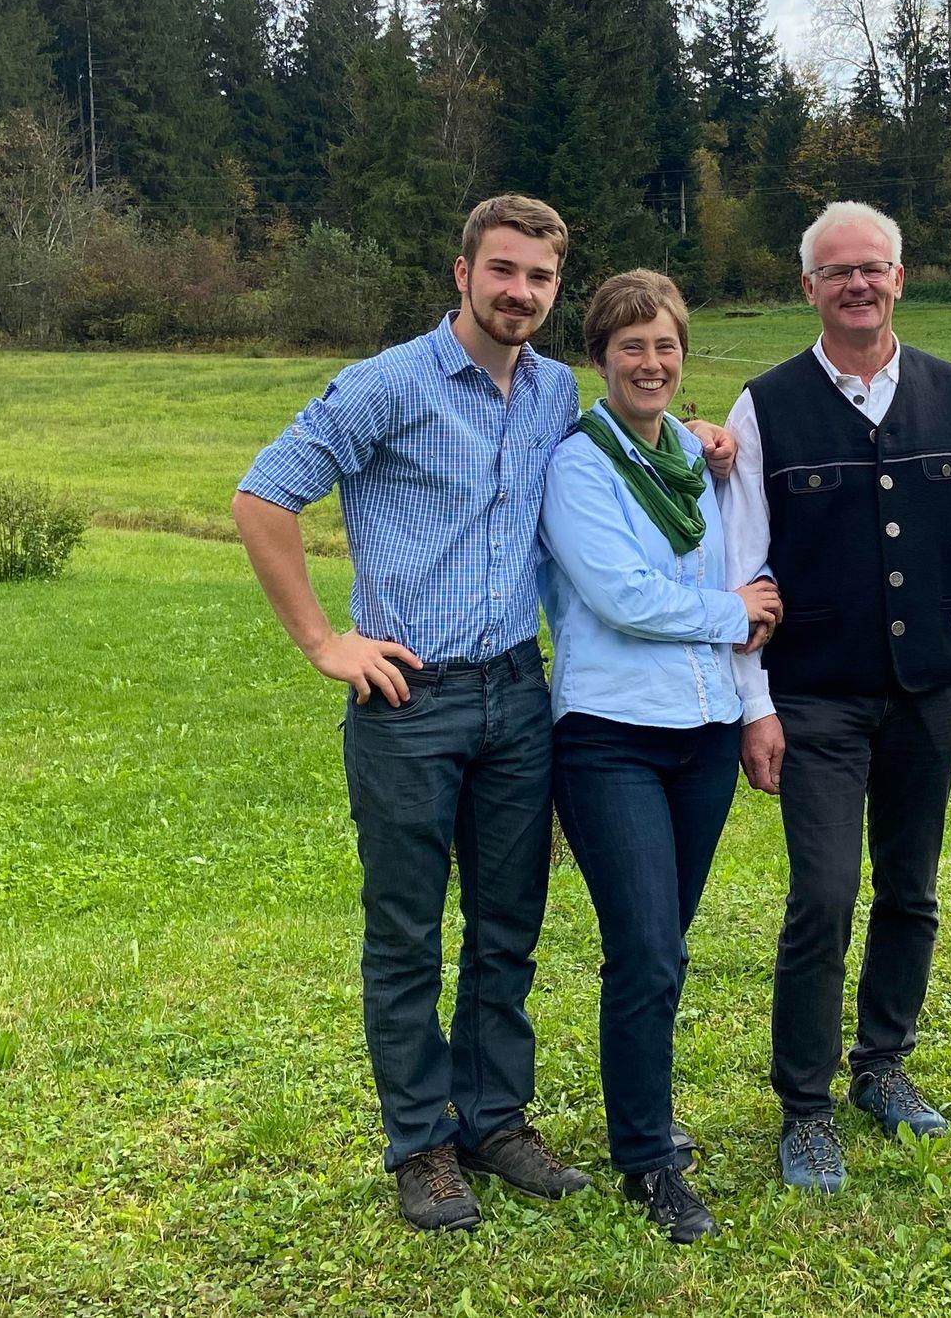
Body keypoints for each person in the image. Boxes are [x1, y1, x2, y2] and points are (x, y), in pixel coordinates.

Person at [232, 195, 594, 1233]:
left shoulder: (556, 390)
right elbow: (263, 496)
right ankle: (421, 1145)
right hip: (407, 699)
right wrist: (324, 642)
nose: (520, 291)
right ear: (463, 272)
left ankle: (495, 1123)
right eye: (503, 270)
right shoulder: (387, 383)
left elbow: (616, 461)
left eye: (539, 276)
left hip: (517, 694)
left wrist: (700, 441)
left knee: (507, 928)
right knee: (405, 935)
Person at [720, 201, 951, 1192]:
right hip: (814, 696)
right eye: (836, 271)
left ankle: (882, 1064)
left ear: (900, 277)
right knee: (822, 895)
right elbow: (740, 569)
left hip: (925, 695)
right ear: (807, 286)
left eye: (872, 267)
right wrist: (754, 704)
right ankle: (805, 1106)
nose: (856, 284)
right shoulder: (763, 406)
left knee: (910, 888)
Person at [536, 270, 780, 1244]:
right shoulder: (579, 465)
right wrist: (735, 612)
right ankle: (646, 1161)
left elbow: (740, 552)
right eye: (630, 346)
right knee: (642, 946)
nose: (650, 362)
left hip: (704, 734)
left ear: (684, 355)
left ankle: (645, 1115)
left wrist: (748, 637)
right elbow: (621, 595)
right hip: (609, 735)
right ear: (599, 357)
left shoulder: (692, 456)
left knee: (664, 947)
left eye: (665, 345)